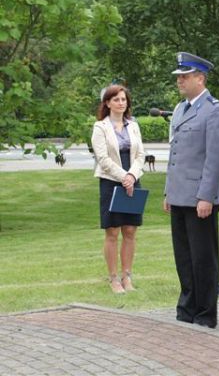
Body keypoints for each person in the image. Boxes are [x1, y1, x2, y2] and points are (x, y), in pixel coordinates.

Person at [163, 52, 219, 328]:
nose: (180, 81)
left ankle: (204, 312)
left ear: (200, 78)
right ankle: (187, 307)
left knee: (203, 258)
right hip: (179, 194)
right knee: (184, 256)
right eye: (179, 77)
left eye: (185, 76)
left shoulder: (214, 110)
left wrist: (206, 195)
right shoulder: (181, 109)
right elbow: (175, 156)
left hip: (200, 197)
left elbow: (216, 158)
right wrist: (168, 192)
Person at [91, 84, 145, 294]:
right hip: (111, 180)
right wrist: (124, 177)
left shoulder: (133, 125)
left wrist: (131, 175)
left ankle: (127, 276)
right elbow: (103, 159)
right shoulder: (100, 127)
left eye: (123, 99)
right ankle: (113, 279)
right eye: (116, 100)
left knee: (130, 230)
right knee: (112, 232)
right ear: (107, 103)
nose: (121, 103)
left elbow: (140, 155)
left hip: (133, 177)